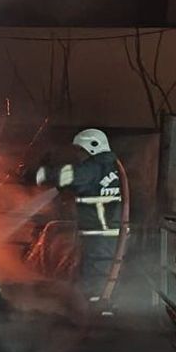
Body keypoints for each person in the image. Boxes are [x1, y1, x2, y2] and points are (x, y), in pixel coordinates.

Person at [33, 128, 124, 310]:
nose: (78, 155)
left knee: (94, 275)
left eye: (80, 150)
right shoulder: (111, 166)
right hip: (110, 231)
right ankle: (102, 307)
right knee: (104, 272)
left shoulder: (93, 167)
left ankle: (95, 312)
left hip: (99, 232)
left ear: (92, 147)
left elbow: (71, 175)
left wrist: (43, 174)